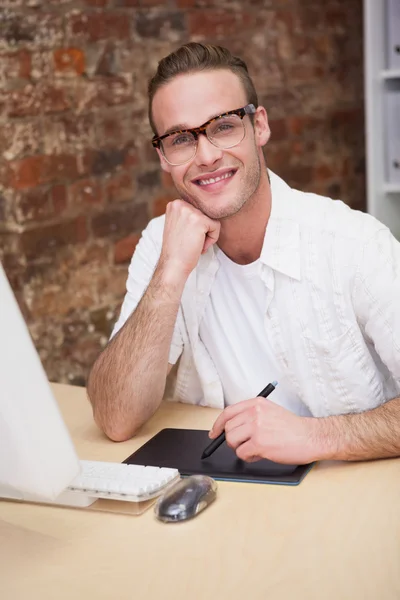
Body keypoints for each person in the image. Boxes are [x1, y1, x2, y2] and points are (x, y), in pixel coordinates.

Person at [87, 42, 400, 465]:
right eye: (181, 139)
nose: (207, 156)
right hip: (232, 500)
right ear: (162, 156)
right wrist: (170, 273)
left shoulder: (355, 245)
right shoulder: (164, 244)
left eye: (223, 126)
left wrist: (316, 436)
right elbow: (115, 418)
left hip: (345, 503)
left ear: (260, 126)